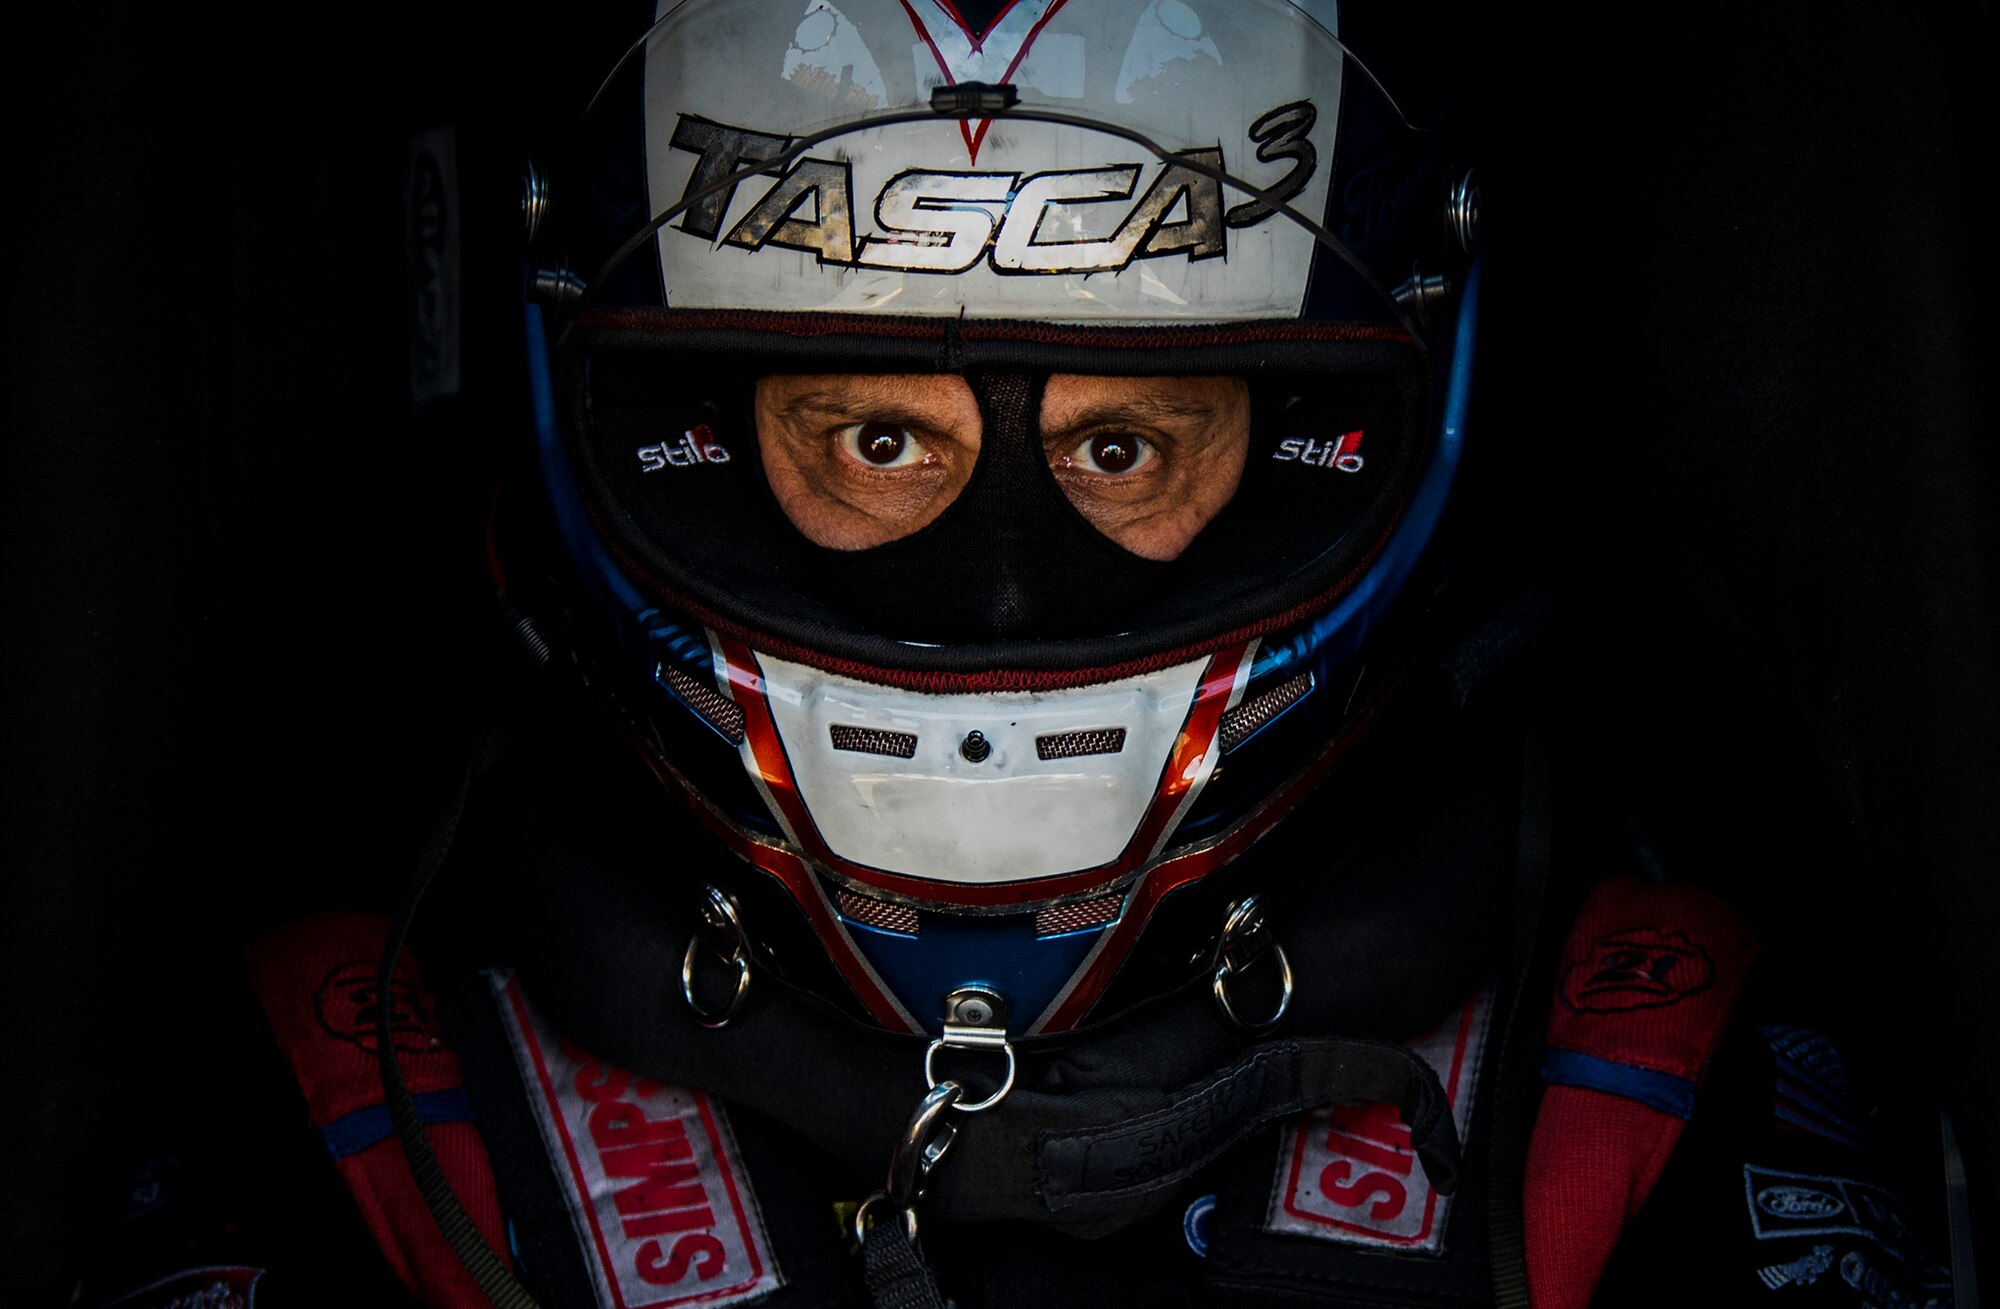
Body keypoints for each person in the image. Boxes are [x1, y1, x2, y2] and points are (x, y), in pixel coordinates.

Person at [45, 3, 1981, 1307]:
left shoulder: (1626, 1061)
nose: (994, 587)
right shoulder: (376, 1073)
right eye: (875, 437)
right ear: (669, 442)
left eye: (1121, 444)